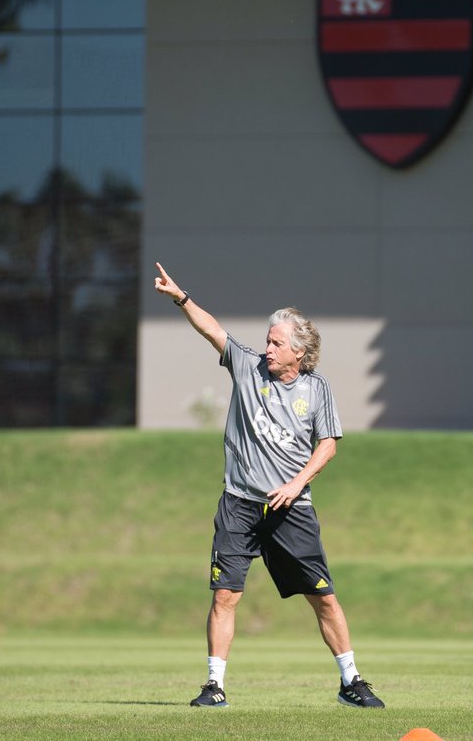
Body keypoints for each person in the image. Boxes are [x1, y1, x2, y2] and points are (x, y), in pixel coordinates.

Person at [153, 262, 384, 709]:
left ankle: (351, 681)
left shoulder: (317, 390)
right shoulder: (247, 367)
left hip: (291, 509)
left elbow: (328, 445)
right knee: (225, 594)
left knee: (323, 597)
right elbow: (212, 330)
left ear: (299, 352)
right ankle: (214, 686)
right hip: (239, 505)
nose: (268, 348)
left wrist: (296, 484)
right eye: (268, 340)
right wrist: (180, 298)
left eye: (277, 343)